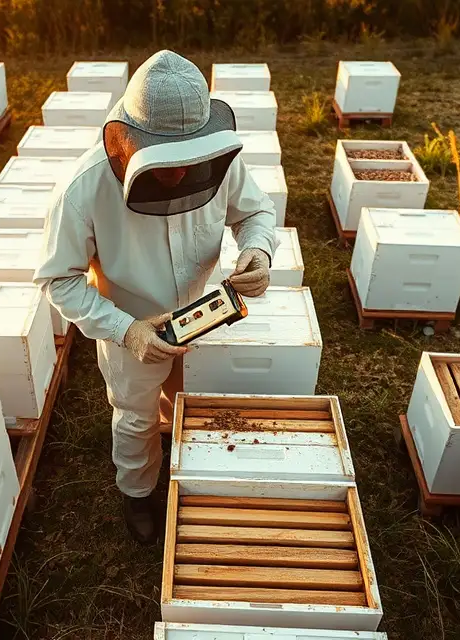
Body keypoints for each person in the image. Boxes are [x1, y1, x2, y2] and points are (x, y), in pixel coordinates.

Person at [34, 50, 280, 543]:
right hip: (132, 327)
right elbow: (57, 279)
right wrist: (126, 329)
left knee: (190, 400)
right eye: (167, 162)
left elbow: (256, 212)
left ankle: (184, 462)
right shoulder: (82, 190)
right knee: (135, 413)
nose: (180, 174)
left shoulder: (220, 161)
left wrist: (257, 250)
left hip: (202, 317)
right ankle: (138, 493)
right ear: (131, 142)